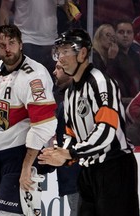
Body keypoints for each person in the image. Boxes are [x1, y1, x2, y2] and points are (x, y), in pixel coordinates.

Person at [38, 28, 140, 216]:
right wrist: (59, 154)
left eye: (65, 51)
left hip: (114, 168)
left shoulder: (101, 82)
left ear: (83, 53)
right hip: (87, 169)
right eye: (58, 52)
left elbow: (107, 131)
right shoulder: (69, 93)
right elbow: (70, 133)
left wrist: (70, 153)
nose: (60, 57)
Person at [0, 24, 57, 215]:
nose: (7, 49)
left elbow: (43, 125)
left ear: (21, 44)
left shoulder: (35, 76)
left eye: (12, 43)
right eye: (2, 45)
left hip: (18, 155)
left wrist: (27, 166)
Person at [0, 0, 58, 77]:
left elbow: (66, 6)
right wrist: (3, 38)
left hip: (51, 40)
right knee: (26, 81)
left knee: (50, 83)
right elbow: (5, 7)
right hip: (26, 38)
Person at [52, 61, 81, 216]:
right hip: (76, 178)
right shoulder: (67, 101)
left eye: (59, 68)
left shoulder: (78, 101)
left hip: (82, 179)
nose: (54, 72)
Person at [107, 19, 140, 98]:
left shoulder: (136, 57)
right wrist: (111, 60)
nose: (125, 35)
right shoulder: (108, 53)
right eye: (121, 32)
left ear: (133, 35)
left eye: (129, 32)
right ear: (114, 35)